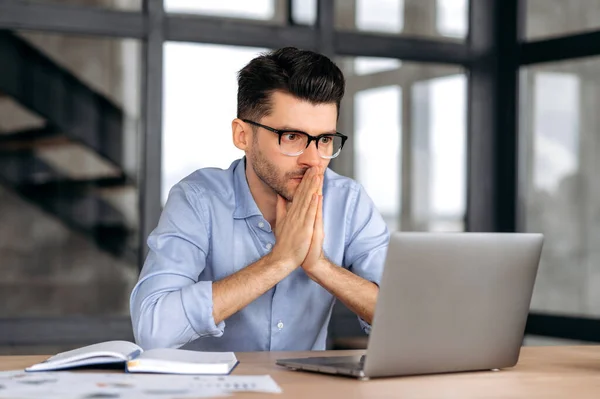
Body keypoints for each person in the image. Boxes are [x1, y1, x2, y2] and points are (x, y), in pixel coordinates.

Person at [130, 47, 390, 352]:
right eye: (291, 137)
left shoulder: (348, 202)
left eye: (324, 140)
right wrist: (278, 262)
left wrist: (319, 265)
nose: (313, 160)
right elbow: (153, 329)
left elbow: (405, 318)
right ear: (243, 136)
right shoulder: (198, 199)